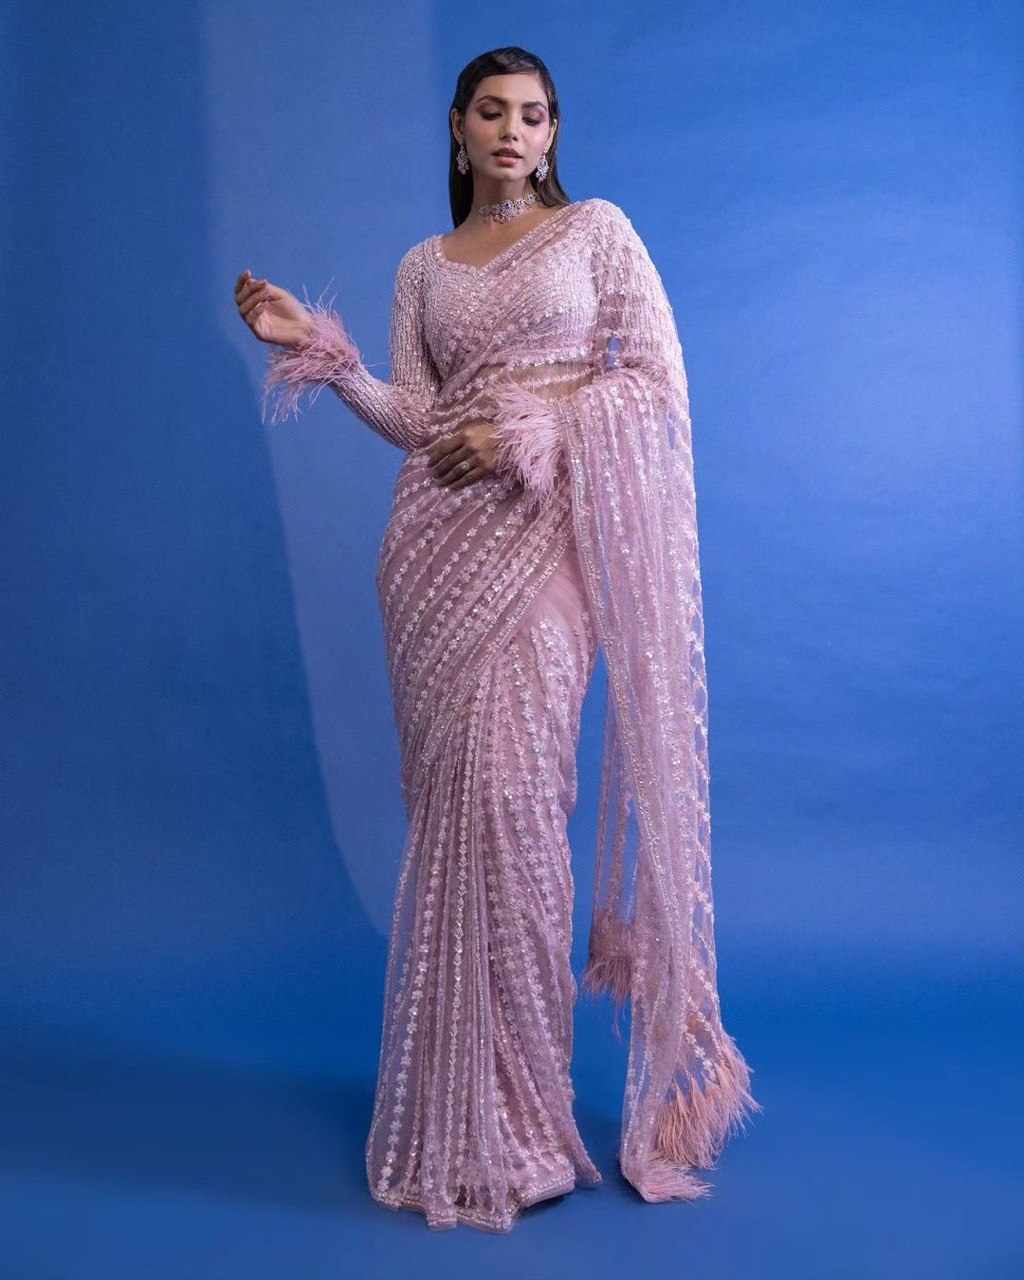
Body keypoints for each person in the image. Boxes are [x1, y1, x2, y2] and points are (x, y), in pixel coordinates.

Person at [234, 46, 761, 1235]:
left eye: (533, 114)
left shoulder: (596, 234)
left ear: (553, 131)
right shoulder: (423, 266)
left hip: (542, 554)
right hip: (431, 557)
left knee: (520, 813)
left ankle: (525, 1119)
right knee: (456, 825)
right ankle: (455, 1114)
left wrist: (536, 424)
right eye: (492, 111)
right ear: (459, 127)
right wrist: (323, 356)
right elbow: (420, 420)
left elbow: (653, 387)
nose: (513, 130)